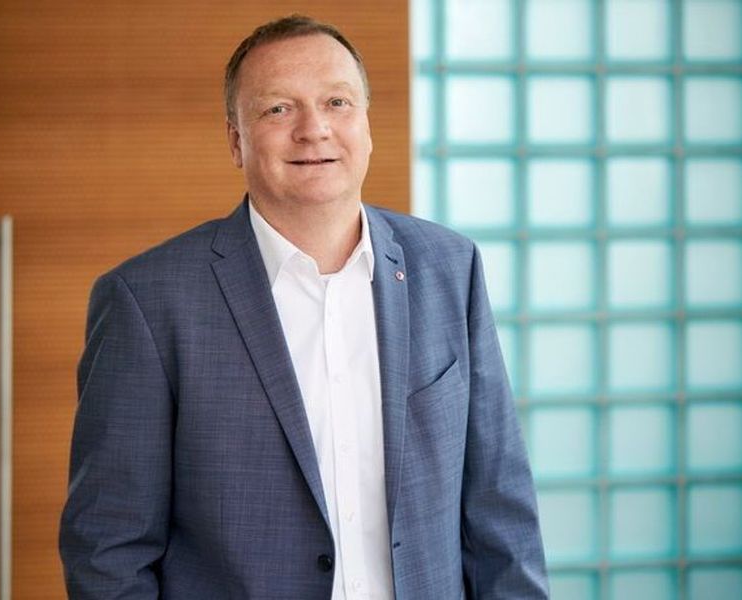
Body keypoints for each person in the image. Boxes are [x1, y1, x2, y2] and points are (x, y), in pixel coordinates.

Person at [59, 14, 547, 599]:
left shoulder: (449, 267)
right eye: (278, 109)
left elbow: (499, 510)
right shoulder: (148, 300)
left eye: (337, 102)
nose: (314, 129)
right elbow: (108, 547)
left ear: (367, 126)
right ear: (236, 141)